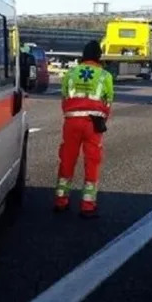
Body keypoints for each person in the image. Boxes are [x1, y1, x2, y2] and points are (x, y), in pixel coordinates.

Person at [54, 40, 115, 218]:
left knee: (67, 159)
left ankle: (61, 201)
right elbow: (108, 101)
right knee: (92, 162)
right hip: (93, 123)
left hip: (72, 121)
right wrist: (102, 120)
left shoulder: (71, 73)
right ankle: (88, 206)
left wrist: (70, 113)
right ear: (98, 56)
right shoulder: (105, 76)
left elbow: (65, 96)